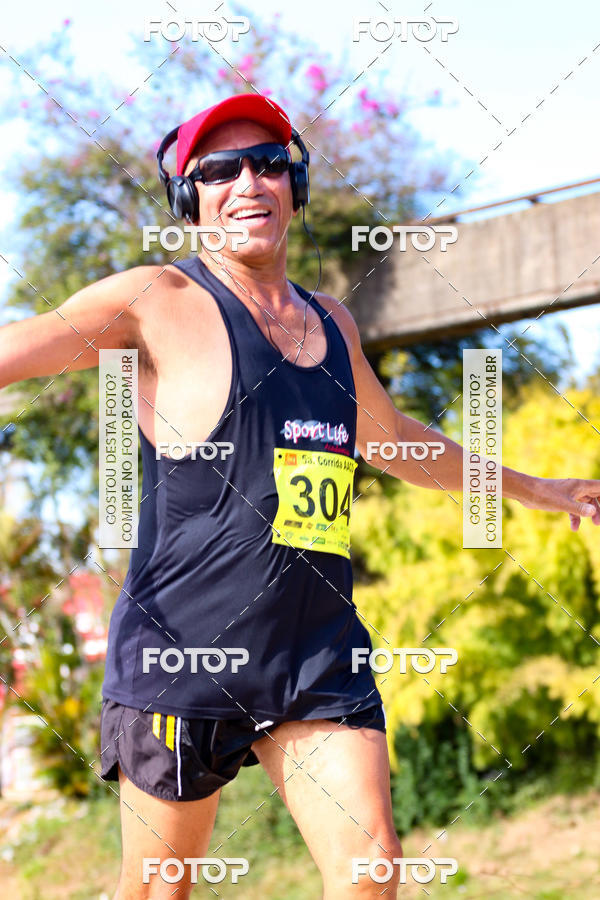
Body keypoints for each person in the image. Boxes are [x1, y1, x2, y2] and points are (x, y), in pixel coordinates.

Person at [2, 92, 600, 900]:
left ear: (296, 185)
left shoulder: (333, 325)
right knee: (156, 893)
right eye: (219, 169)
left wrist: (540, 489)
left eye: (269, 162)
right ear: (191, 199)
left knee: (370, 869)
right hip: (184, 659)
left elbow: (392, 441)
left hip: (316, 653)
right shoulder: (158, 303)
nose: (248, 181)